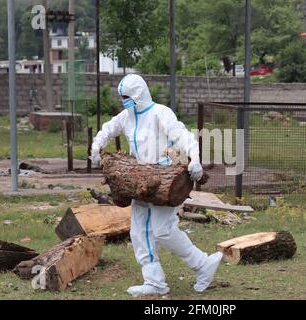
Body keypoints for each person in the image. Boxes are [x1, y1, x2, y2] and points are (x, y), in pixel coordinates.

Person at [91, 74, 223, 297]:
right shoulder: (126, 117)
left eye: (127, 97)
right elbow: (108, 128)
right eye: (122, 97)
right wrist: (96, 147)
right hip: (139, 182)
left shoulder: (160, 113)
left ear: (138, 94)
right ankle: (154, 282)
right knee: (139, 232)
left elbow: (183, 135)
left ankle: (202, 264)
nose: (124, 101)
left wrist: (195, 157)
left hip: (165, 182)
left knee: (162, 230)